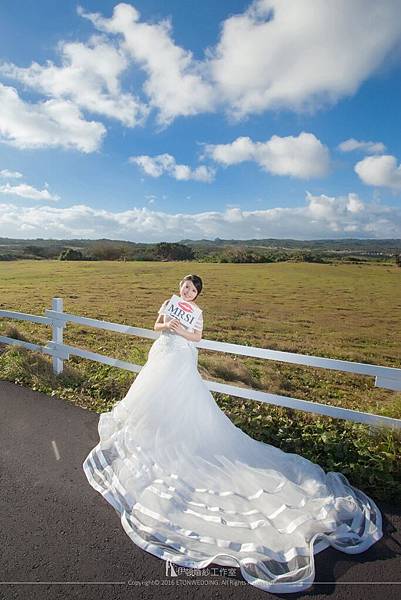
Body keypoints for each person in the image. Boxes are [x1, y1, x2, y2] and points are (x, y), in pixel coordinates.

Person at [82, 274, 383, 593]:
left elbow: (196, 337)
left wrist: (180, 329)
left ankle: (177, 436)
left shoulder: (196, 313)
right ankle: (151, 431)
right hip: (161, 355)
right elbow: (156, 325)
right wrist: (167, 325)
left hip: (182, 359)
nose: (187, 291)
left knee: (181, 402)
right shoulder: (170, 302)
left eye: (192, 289)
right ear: (181, 286)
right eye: (185, 286)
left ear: (197, 295)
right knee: (150, 398)